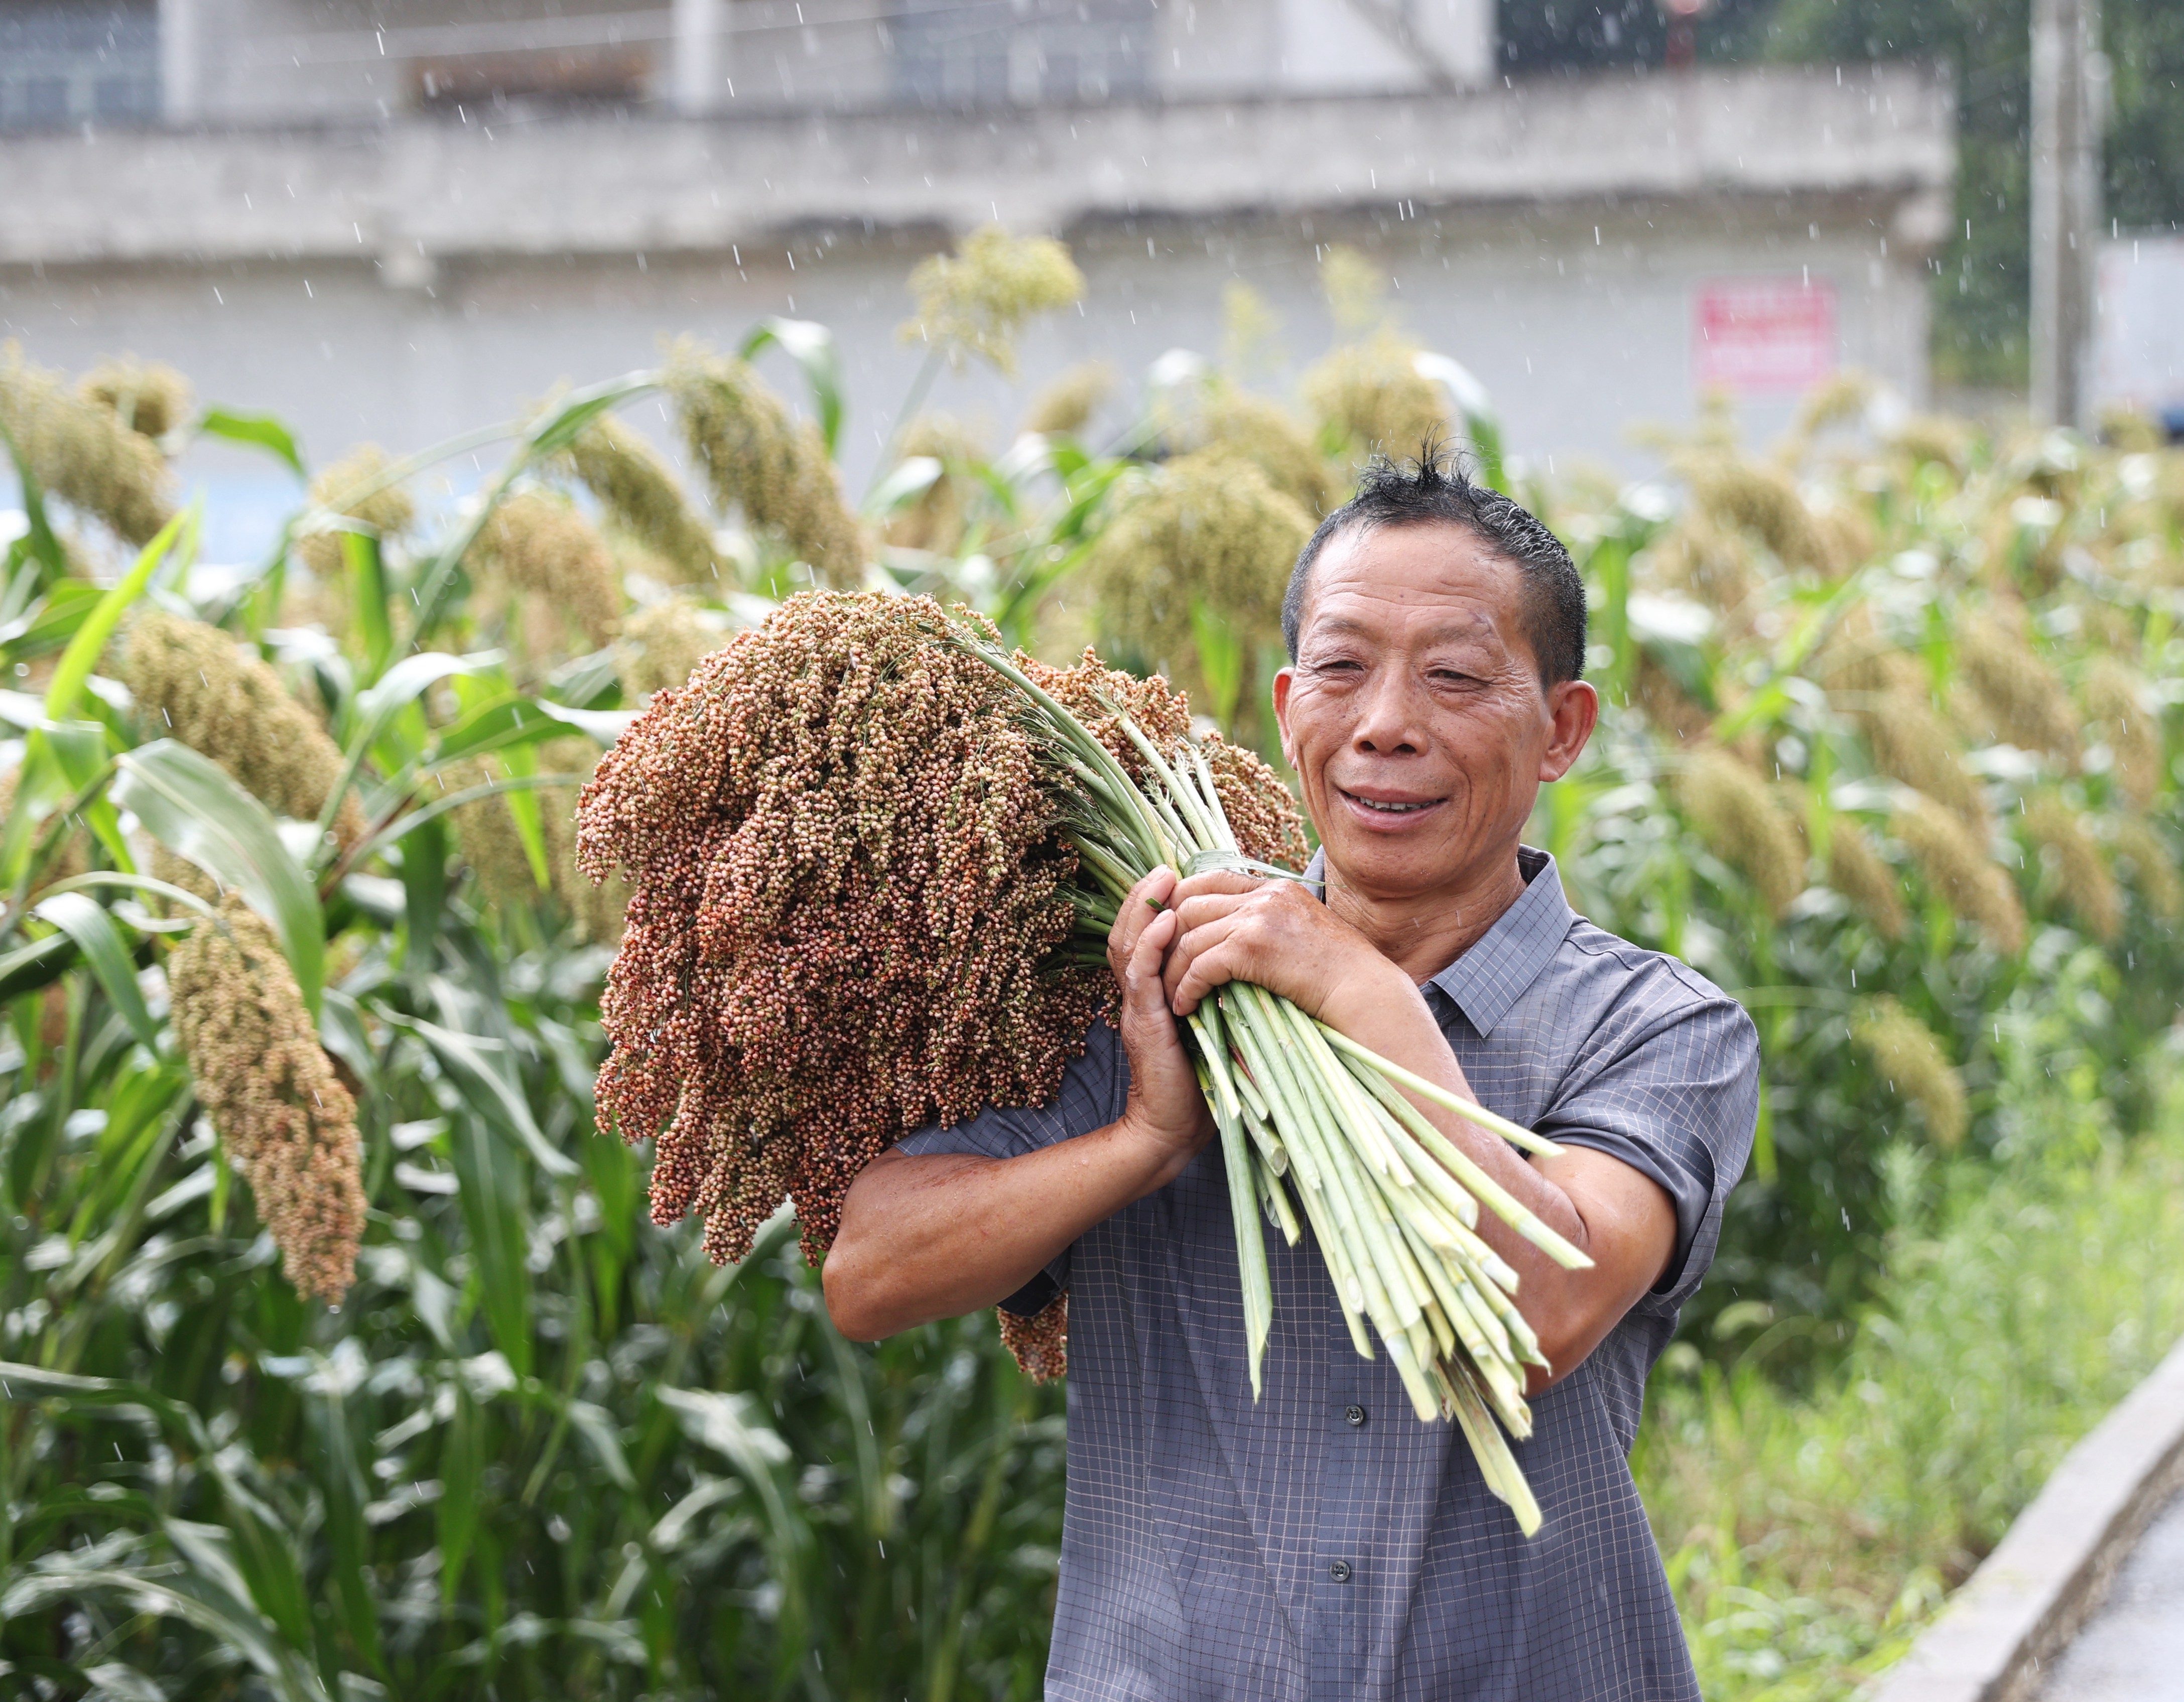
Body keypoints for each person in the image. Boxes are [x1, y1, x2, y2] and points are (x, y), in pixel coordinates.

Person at [823, 446, 1760, 1699]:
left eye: (1456, 677)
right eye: (1341, 668)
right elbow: (870, 1272)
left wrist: (1356, 989)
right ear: (1285, 705)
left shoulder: (1656, 1029)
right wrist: (1144, 1138)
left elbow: (1539, 1311)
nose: (1385, 722)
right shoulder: (1152, 981)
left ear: (1562, 731)